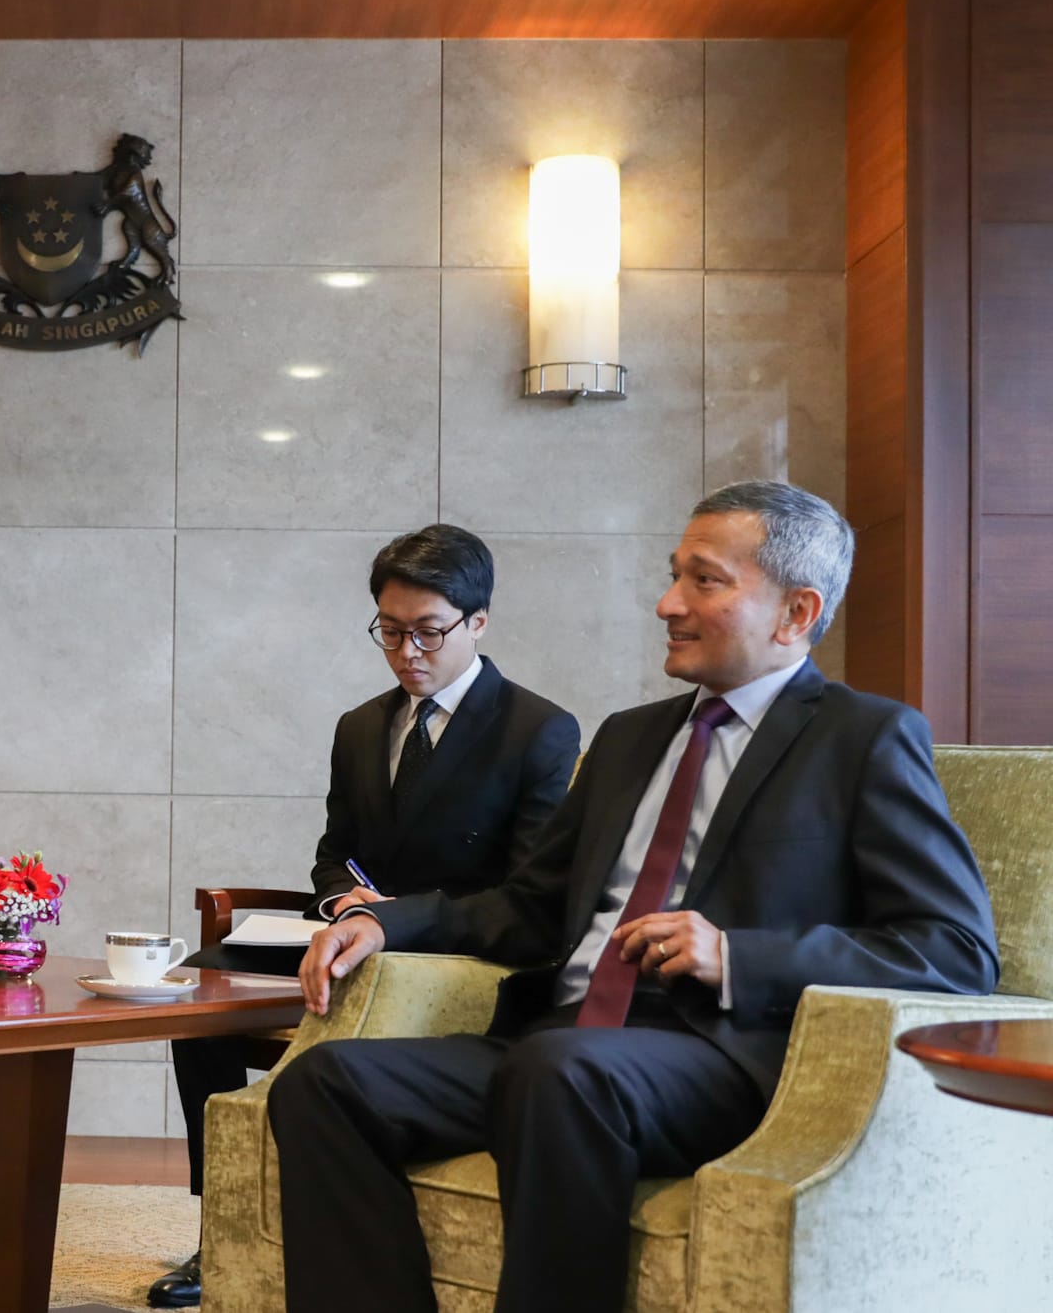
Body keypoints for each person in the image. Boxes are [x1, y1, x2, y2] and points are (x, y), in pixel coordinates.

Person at [274, 481, 1000, 1313]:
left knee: (560, 1072)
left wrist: (736, 954)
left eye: (705, 580)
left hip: (716, 1056)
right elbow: (533, 906)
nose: (667, 603)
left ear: (796, 611)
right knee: (323, 1084)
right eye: (673, 575)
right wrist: (382, 923)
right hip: (563, 1043)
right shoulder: (630, 737)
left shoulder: (862, 739)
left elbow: (955, 948)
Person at [150, 524, 580, 1309]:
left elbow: (528, 892)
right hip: (356, 935)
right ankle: (218, 1227)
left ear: (477, 622)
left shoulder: (536, 729)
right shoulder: (360, 725)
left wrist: (399, 917)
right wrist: (342, 900)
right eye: (389, 630)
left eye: (427, 631)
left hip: (452, 953)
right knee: (201, 991)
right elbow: (331, 854)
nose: (407, 651)